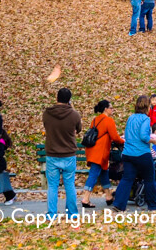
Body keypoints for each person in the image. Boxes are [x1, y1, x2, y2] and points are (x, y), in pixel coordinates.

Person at [111, 95, 156, 212]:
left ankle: (118, 204)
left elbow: (127, 135)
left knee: (127, 179)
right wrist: (154, 140)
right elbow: (144, 136)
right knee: (149, 179)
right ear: (147, 106)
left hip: (128, 153)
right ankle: (154, 206)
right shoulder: (145, 119)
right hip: (141, 153)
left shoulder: (131, 118)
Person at [42, 88, 82, 219]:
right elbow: (79, 129)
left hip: (52, 154)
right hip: (69, 154)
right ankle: (72, 213)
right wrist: (73, 108)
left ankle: (51, 214)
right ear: (69, 100)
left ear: (57, 98)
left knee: (52, 186)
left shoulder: (47, 114)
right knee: (69, 185)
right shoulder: (74, 114)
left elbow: (46, 127)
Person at [81, 99, 124, 208]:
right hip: (99, 152)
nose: (112, 110)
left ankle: (109, 197)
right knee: (94, 174)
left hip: (92, 150)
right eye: (111, 108)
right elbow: (115, 137)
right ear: (106, 109)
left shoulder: (95, 120)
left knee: (104, 172)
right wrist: (124, 141)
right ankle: (85, 199)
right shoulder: (108, 121)